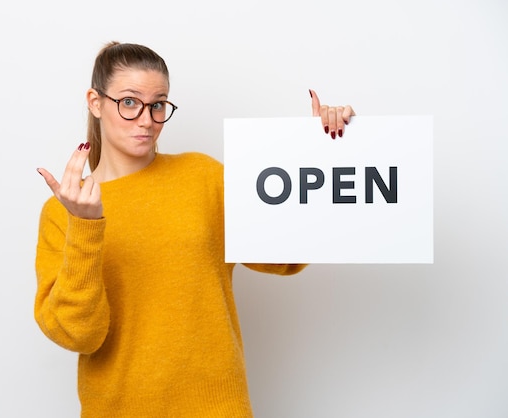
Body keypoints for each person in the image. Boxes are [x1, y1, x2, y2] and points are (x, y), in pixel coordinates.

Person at [35, 41, 355, 418]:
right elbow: (80, 334)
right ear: (95, 101)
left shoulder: (203, 178)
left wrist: (326, 151)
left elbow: (285, 257)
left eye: (158, 104)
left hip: (218, 407)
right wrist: (86, 229)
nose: (146, 119)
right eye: (129, 102)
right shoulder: (63, 211)